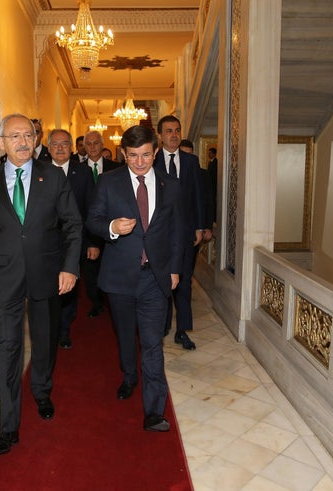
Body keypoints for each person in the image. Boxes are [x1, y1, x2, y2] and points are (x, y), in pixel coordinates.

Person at [0, 114, 83, 455]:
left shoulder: (52, 176)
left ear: (36, 140)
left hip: (46, 273)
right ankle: (8, 427)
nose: (23, 142)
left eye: (29, 135)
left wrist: (69, 268)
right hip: (5, 276)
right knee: (7, 348)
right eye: (15, 136)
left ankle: (41, 390)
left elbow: (72, 224)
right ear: (2, 142)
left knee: (44, 339)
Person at [86, 125, 183, 432]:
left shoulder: (171, 185)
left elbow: (178, 231)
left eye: (145, 155)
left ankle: (154, 411)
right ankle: (129, 376)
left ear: (155, 152)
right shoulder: (109, 182)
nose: (139, 163)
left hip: (155, 277)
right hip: (120, 277)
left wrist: (175, 269)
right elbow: (94, 220)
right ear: (123, 154)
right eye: (132, 156)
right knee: (126, 335)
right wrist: (112, 226)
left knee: (153, 343)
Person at [153, 115, 207, 351]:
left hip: (184, 233)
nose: (173, 135)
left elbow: (198, 196)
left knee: (183, 283)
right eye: (168, 131)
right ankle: (162, 326)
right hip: (158, 234)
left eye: (177, 130)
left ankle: (182, 330)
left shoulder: (191, 161)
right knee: (160, 283)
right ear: (160, 135)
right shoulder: (150, 161)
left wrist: (199, 226)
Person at [47, 128, 97, 349]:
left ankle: (64, 331)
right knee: (48, 287)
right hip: (45, 244)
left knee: (70, 287)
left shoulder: (83, 172)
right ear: (49, 148)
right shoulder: (38, 172)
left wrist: (93, 242)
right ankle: (50, 327)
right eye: (55, 144)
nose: (60, 148)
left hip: (75, 241)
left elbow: (92, 209)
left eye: (64, 144)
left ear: (72, 147)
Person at [82, 130, 123, 317]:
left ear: (102, 144)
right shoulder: (78, 169)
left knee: (111, 268)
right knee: (90, 271)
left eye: (95, 143)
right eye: (88, 144)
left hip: (113, 228)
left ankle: (111, 300)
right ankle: (96, 302)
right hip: (87, 229)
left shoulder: (115, 168)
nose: (92, 147)